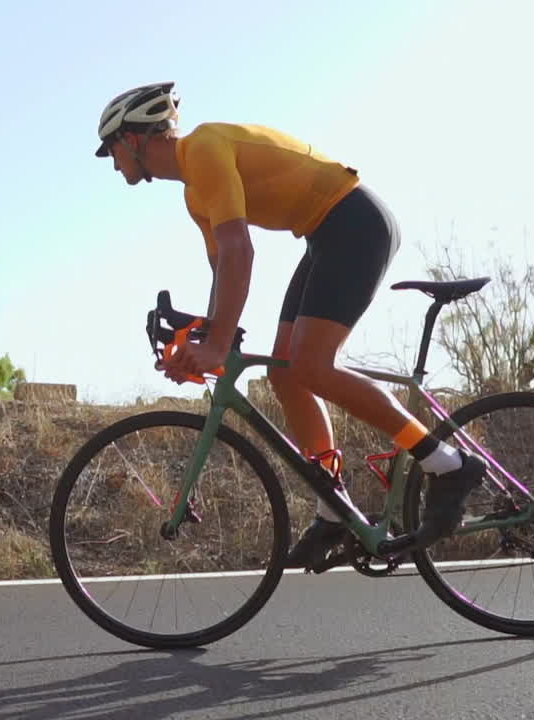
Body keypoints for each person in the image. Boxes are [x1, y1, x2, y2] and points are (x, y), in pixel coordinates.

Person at [95, 82, 485, 570]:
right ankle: (334, 505)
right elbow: (223, 270)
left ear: (133, 138)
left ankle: (446, 463)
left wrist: (217, 344)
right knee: (284, 371)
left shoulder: (204, 149)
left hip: (354, 221)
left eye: (111, 151)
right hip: (325, 234)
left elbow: (241, 251)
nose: (113, 164)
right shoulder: (195, 193)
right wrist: (197, 340)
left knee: (313, 366)